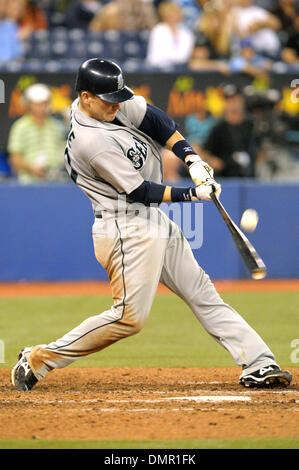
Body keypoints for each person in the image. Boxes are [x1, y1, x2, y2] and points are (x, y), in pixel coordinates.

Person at [11, 58, 292, 392]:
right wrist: (194, 193)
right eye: (108, 100)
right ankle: (38, 358)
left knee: (202, 292)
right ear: (86, 97)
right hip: (124, 229)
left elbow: (155, 119)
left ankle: (259, 362)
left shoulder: (102, 103)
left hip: (151, 221)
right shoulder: (91, 140)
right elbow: (141, 191)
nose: (117, 105)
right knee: (129, 318)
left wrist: (191, 157)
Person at [7, 83, 66, 183]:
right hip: (27, 183)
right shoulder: (20, 126)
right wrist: (31, 168)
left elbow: (63, 152)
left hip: (55, 182)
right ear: (28, 104)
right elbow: (14, 158)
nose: (41, 107)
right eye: (37, 104)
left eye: (44, 103)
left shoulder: (57, 126)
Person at [203, 85, 258, 177]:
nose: (233, 103)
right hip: (225, 176)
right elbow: (207, 152)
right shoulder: (218, 128)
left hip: (251, 175)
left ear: (242, 100)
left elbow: (260, 148)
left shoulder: (252, 125)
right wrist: (213, 161)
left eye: (236, 99)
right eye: (229, 100)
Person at [146, 1, 194, 68]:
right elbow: (160, 55)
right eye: (170, 14)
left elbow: (184, 56)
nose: (173, 16)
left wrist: (178, 60)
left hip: (179, 68)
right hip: (157, 68)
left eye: (175, 13)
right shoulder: (158, 30)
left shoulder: (186, 32)